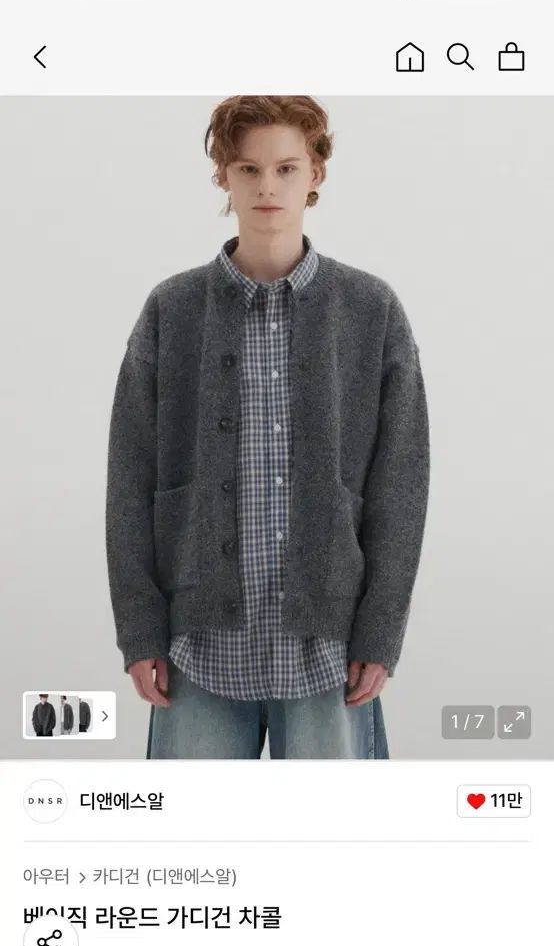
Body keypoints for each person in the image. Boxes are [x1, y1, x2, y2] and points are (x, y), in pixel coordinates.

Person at [106, 95, 430, 759]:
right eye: (248, 169)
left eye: (286, 168)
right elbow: (128, 479)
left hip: (329, 646)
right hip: (196, 646)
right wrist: (139, 629)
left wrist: (380, 631)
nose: (267, 187)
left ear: (316, 174)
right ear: (223, 176)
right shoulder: (173, 310)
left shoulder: (370, 310)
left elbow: (401, 484)